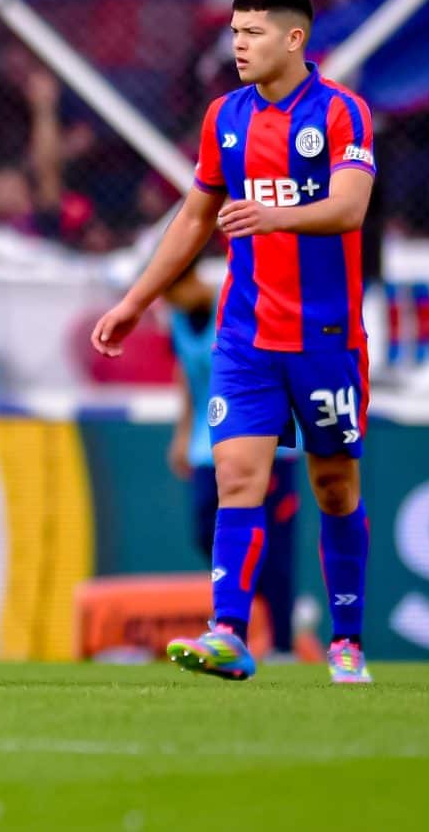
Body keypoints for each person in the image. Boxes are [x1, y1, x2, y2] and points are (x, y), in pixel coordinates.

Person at [92, 0, 376, 686]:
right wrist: (136, 300)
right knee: (235, 477)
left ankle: (346, 639)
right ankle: (228, 632)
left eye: (252, 32)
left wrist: (274, 215)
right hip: (246, 335)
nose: (238, 44)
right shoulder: (226, 116)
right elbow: (194, 217)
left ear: (294, 39)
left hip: (325, 336)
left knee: (334, 484)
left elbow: (348, 207)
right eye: (235, 31)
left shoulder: (341, 113)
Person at [163, 263, 303, 659]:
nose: (169, 302)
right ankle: (245, 607)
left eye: (174, 290)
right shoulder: (177, 319)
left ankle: (280, 642)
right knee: (207, 529)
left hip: (260, 441)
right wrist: (181, 432)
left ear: (191, 278)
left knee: (276, 548)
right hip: (207, 444)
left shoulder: (235, 305)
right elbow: (187, 376)